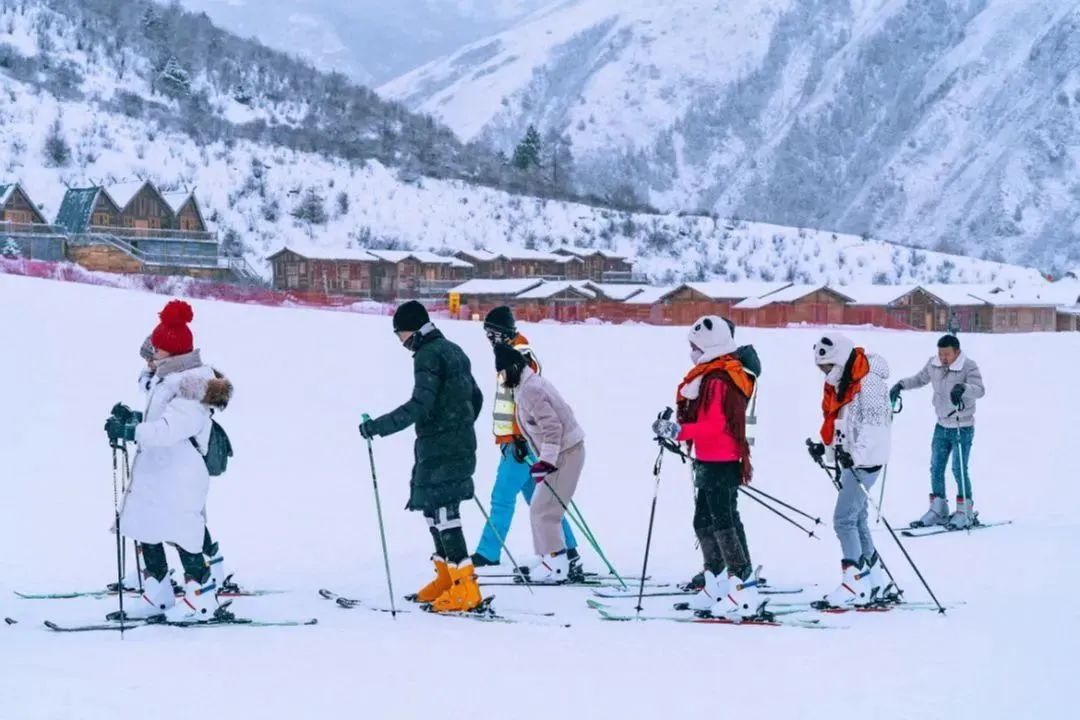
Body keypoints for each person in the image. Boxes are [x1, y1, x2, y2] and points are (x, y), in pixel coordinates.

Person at [359, 301, 485, 613]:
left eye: (399, 335)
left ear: (412, 329)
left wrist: (378, 427)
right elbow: (476, 397)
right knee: (432, 509)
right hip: (451, 444)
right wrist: (461, 426)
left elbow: (420, 405)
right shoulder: (454, 350)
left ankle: (466, 586)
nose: (400, 342)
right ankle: (447, 578)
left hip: (443, 447)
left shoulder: (428, 355)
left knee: (444, 513)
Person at [104, 300, 226, 620]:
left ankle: (202, 597)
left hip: (182, 472)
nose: (152, 355)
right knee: (146, 524)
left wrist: (133, 431)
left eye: (157, 350)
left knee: (182, 531)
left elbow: (174, 429)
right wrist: (130, 420)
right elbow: (159, 419)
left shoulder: (192, 381)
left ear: (172, 352)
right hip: (161, 469)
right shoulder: (167, 377)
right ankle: (157, 591)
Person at [652, 316, 765, 620]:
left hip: (722, 459)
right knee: (704, 522)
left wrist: (678, 431)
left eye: (694, 345)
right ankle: (716, 582)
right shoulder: (712, 374)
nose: (691, 350)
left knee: (723, 523)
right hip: (710, 458)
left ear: (709, 343)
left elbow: (715, 425)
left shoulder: (718, 379)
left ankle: (743, 587)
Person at [470, 307, 581, 578]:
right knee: (541, 499)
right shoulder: (508, 354)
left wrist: (518, 439)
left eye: (492, 333)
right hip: (516, 442)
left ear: (505, 332)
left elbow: (528, 402)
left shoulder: (521, 357)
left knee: (502, 498)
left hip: (520, 445)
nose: (489, 339)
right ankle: (569, 550)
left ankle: (488, 552)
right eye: (486, 334)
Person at [807, 333, 892, 608]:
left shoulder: (869, 382)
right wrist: (828, 449)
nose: (825, 373)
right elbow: (844, 424)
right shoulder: (846, 381)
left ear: (841, 359)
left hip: (865, 462)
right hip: (854, 461)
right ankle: (875, 579)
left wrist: (854, 457)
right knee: (856, 519)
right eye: (822, 368)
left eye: (828, 366)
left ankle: (854, 584)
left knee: (843, 520)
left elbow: (877, 429)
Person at [493, 344, 585, 583]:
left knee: (545, 511)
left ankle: (556, 565)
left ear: (513, 368)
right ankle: (550, 557)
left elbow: (553, 427)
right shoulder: (527, 384)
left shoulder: (530, 390)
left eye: (503, 373)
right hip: (563, 452)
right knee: (541, 507)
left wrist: (546, 461)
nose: (502, 380)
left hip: (567, 453)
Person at [891, 334, 985, 530]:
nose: (943, 357)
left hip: (962, 425)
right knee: (936, 467)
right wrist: (901, 385)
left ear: (956, 352)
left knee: (958, 469)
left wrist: (963, 388)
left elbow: (979, 390)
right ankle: (938, 509)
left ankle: (964, 511)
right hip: (941, 425)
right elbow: (919, 379)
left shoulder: (969, 366)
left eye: (947, 354)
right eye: (940, 353)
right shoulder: (933, 365)